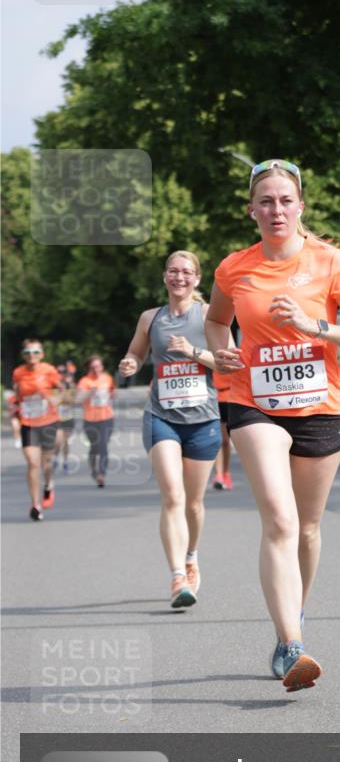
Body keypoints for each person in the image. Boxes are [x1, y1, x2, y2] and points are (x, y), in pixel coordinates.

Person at [205, 159, 340, 692]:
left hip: (320, 407)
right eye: (266, 201)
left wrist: (315, 326)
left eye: (285, 200)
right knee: (279, 522)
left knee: (306, 528)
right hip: (254, 402)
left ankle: (291, 628)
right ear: (251, 209)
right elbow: (215, 321)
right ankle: (293, 643)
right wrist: (222, 350)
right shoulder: (234, 267)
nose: (276, 209)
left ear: (300, 205)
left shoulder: (331, 262)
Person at [119, 251, 221, 608]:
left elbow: (229, 360)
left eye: (186, 272)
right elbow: (137, 352)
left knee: (193, 503)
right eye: (173, 271)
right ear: (165, 277)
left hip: (203, 418)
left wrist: (193, 351)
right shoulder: (151, 317)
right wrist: (131, 362)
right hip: (161, 414)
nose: (179, 277)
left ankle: (191, 555)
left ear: (196, 278)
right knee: (173, 496)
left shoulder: (209, 314)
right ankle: (177, 576)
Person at [11, 339, 62, 520]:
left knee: (46, 463)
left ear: (42, 354)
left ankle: (48, 485)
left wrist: (54, 398)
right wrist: (15, 406)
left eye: (35, 352)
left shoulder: (49, 370)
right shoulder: (18, 372)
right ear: (23, 355)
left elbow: (62, 390)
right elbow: (17, 396)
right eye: (27, 352)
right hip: (28, 423)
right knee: (33, 463)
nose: (31, 355)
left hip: (48, 421)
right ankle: (35, 505)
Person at [77, 355, 115, 487]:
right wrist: (90, 392)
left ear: (102, 367)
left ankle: (101, 474)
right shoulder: (85, 381)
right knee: (95, 447)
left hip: (107, 417)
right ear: (89, 368)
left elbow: (112, 394)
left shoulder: (107, 378)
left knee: (103, 445)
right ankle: (94, 469)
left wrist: (111, 395)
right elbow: (79, 399)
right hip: (90, 420)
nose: (96, 369)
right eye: (93, 367)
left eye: (98, 366)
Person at [211, 368, 234, 490]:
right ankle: (218, 475)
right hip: (214, 398)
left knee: (225, 441)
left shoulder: (234, 354)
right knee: (218, 440)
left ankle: (226, 472)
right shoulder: (208, 354)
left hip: (230, 398)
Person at [55, 362, 77, 471]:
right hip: (55, 418)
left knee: (65, 441)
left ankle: (65, 461)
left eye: (63, 372)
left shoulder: (71, 385)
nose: (61, 374)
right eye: (58, 372)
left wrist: (65, 390)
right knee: (58, 441)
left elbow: (73, 401)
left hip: (68, 417)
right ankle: (55, 457)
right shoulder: (52, 384)